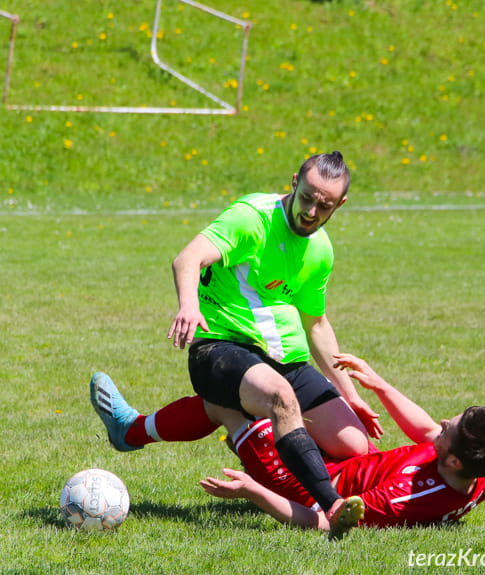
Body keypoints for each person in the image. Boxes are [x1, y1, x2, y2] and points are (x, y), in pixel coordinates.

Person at [93, 152, 378, 536]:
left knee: (353, 444)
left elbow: (317, 324)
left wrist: (349, 393)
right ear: (294, 181)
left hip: (284, 359)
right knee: (278, 397)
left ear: (339, 205)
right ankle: (331, 506)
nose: (311, 211)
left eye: (324, 205)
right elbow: (187, 258)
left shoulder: (321, 249)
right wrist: (189, 307)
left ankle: (137, 430)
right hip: (219, 347)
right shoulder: (252, 218)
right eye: (307, 196)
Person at [199, 353, 485, 531]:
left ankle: (148, 429)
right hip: (354, 462)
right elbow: (425, 429)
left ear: (452, 462)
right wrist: (378, 383)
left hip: (304, 482)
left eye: (448, 430)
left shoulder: (401, 498)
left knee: (222, 403)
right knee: (303, 397)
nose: (443, 424)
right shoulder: (478, 467)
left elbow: (327, 520)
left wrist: (254, 492)